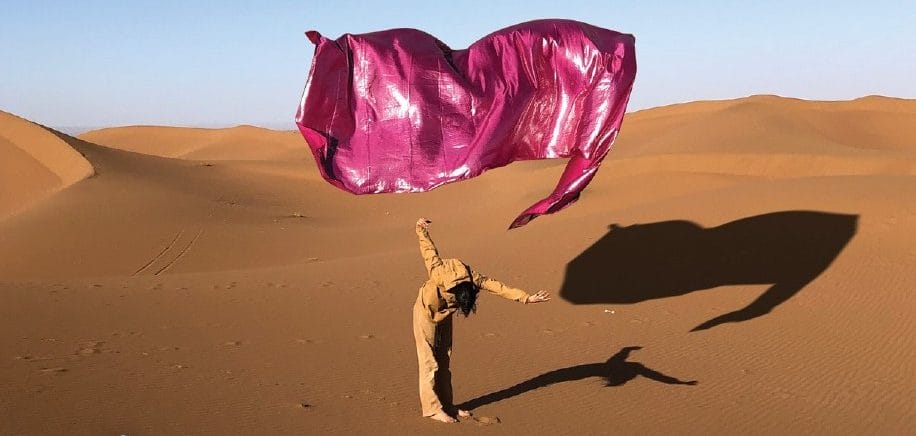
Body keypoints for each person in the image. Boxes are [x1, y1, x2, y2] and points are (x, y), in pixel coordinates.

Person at [412, 218, 551, 423]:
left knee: (444, 359)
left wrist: (526, 298)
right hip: (425, 312)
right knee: (428, 362)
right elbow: (429, 251)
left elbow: (497, 286)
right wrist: (420, 228)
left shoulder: (472, 277)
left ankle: (447, 405)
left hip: (445, 315)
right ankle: (432, 409)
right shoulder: (439, 273)